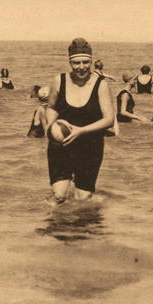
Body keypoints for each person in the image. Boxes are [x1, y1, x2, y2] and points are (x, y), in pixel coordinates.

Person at [44, 38, 114, 203]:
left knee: (83, 198)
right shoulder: (59, 81)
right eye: (76, 63)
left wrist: (81, 131)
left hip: (90, 145)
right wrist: (50, 126)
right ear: (69, 62)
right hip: (62, 145)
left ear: (91, 61)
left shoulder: (101, 84)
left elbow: (109, 119)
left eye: (85, 62)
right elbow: (52, 107)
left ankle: (88, 220)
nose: (81, 67)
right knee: (59, 196)